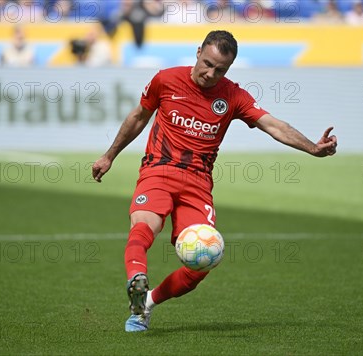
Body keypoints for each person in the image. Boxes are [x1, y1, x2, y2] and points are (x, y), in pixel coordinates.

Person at [91, 30, 338, 332]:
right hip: (159, 171)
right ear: (197, 52)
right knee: (144, 227)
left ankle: (146, 305)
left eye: (220, 69)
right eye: (207, 63)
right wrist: (109, 155)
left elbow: (273, 125)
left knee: (204, 262)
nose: (210, 73)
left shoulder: (233, 95)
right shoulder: (166, 80)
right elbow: (138, 117)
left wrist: (312, 147)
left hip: (198, 184)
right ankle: (136, 278)